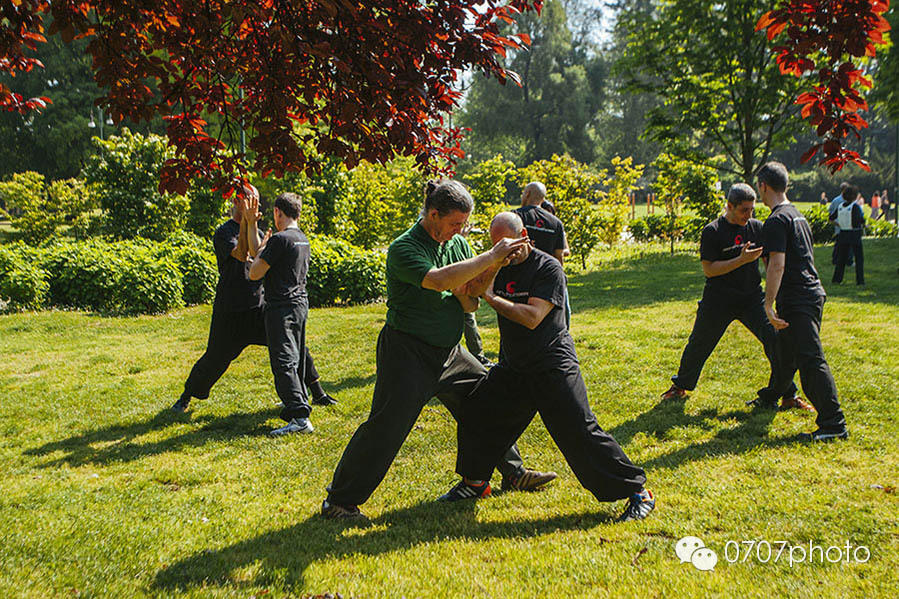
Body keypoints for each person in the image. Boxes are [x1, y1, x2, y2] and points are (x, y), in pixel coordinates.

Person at [321, 180, 557, 520]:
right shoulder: (404, 247)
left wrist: (479, 280)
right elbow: (437, 280)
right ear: (433, 215)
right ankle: (340, 501)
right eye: (454, 223)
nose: (459, 230)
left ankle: (511, 473)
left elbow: (470, 304)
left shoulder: (457, 245)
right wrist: (488, 257)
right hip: (407, 352)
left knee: (489, 400)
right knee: (387, 425)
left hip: (450, 352)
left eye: (463, 224)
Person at [441, 212, 655, 522]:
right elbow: (472, 292)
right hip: (515, 366)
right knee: (478, 410)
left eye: (507, 245)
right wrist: (492, 266)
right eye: (496, 245)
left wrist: (491, 298)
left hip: (551, 362)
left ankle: (638, 492)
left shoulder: (548, 267)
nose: (503, 251)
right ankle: (475, 483)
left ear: (523, 236)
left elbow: (531, 317)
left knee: (578, 430)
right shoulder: (498, 264)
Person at [172, 187, 338, 413]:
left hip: (258, 307)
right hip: (230, 310)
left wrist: (258, 236)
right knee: (215, 359)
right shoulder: (224, 232)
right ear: (237, 202)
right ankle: (186, 396)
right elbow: (242, 255)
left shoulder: (256, 230)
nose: (257, 207)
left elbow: (259, 256)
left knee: (295, 346)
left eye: (258, 202)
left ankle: (317, 392)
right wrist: (248, 225)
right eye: (251, 201)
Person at [660, 184, 808, 410]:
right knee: (699, 343)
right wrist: (741, 260)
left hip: (751, 298)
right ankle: (681, 386)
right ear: (729, 206)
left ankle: (788, 394)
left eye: (752, 210)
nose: (748, 216)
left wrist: (774, 292)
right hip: (718, 300)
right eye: (744, 210)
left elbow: (770, 262)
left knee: (775, 341)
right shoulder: (713, 231)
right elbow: (709, 270)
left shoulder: (757, 228)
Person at [757, 162, 848, 441]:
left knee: (810, 359)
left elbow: (777, 265)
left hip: (799, 299)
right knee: (784, 354)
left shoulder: (775, 220)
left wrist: (768, 303)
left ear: (763, 186)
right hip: (810, 293)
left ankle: (834, 424)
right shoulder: (797, 215)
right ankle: (772, 397)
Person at [246, 192, 315, 436]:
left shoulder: (280, 240)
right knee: (296, 356)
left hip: (281, 307)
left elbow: (255, 273)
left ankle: (299, 416)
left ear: (277, 212)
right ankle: (299, 399)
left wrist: (255, 256)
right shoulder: (301, 239)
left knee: (284, 359)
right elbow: (263, 255)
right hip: (299, 305)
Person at [514, 181, 572, 326]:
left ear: (527, 194)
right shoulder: (556, 222)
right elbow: (559, 256)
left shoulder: (515, 217)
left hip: (521, 275)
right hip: (547, 274)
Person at [830, 185, 865, 286]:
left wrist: (839, 224)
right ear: (854, 196)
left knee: (841, 259)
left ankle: (837, 279)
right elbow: (860, 220)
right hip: (854, 234)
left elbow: (831, 218)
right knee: (859, 259)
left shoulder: (840, 206)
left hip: (843, 233)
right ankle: (860, 281)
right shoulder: (855, 207)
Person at [829, 183, 853, 267]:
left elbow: (830, 211)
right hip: (844, 225)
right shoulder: (845, 201)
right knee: (848, 244)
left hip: (839, 224)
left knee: (839, 244)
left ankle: (835, 260)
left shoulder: (835, 200)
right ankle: (848, 261)